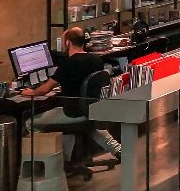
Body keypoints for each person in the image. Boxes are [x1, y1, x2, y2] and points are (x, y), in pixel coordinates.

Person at [22, 25, 122, 165]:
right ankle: (118, 150)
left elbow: (44, 90)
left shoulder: (67, 64)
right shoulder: (96, 60)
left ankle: (50, 163)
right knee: (89, 124)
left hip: (72, 113)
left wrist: (30, 92)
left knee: (31, 123)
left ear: (68, 42)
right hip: (90, 110)